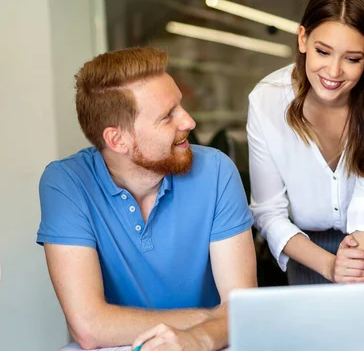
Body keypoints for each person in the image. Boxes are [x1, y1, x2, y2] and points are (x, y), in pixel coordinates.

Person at [36, 47, 257, 351]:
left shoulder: (216, 170)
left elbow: (242, 308)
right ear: (117, 140)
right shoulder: (66, 183)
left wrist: (199, 338)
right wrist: (211, 317)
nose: (189, 122)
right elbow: (89, 327)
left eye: (180, 105)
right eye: (168, 116)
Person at [247, 0, 364, 285]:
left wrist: (354, 269)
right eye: (322, 52)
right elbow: (268, 211)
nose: (333, 72)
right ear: (303, 39)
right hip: (306, 252)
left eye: (352, 59)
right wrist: (329, 265)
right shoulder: (267, 99)